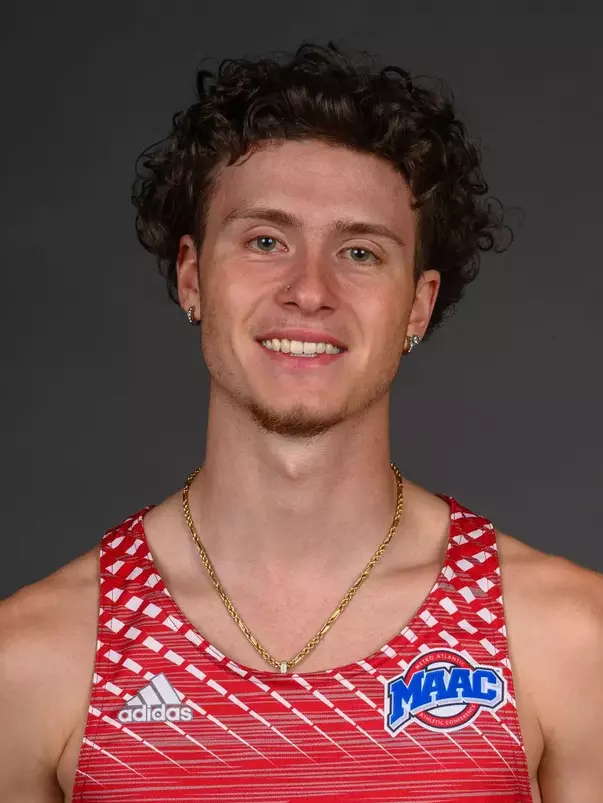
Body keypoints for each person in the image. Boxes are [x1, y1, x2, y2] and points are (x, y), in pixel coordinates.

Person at [1, 42, 602, 803]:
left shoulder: (566, 637)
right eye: (264, 241)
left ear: (416, 304)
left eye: (358, 250)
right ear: (192, 276)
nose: (309, 290)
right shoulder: (34, 657)